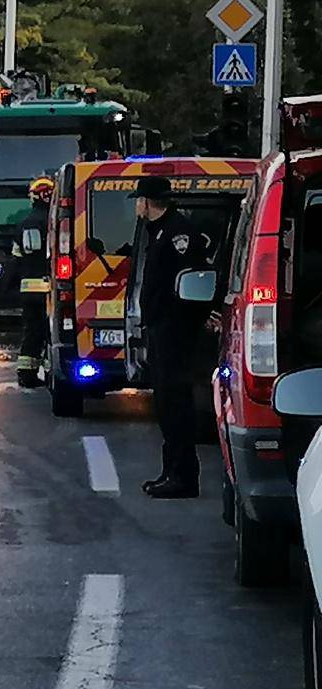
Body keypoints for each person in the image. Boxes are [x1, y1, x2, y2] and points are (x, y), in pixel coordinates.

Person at [131, 175, 214, 498]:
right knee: (165, 403)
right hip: (163, 330)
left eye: (138, 201)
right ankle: (171, 471)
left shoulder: (177, 234)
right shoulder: (161, 231)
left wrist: (175, 323)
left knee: (175, 402)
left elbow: (190, 285)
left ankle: (183, 476)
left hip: (174, 332)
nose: (137, 207)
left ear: (147, 203)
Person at [12, 176, 57, 387]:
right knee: (50, 333)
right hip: (52, 289)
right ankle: (50, 373)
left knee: (32, 331)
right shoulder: (58, 221)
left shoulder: (24, 223)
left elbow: (16, 259)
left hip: (29, 290)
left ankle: (26, 374)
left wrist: (7, 288)